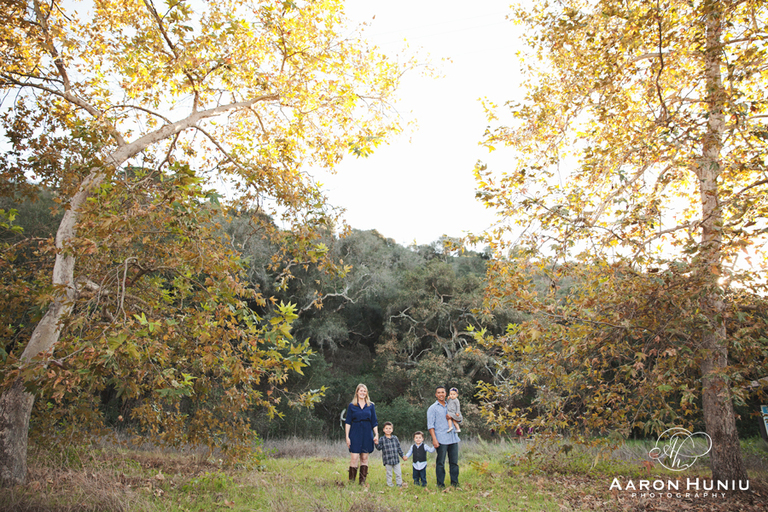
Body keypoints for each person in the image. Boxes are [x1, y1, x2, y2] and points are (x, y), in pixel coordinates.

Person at [345, 383, 379, 485]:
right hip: (355, 433)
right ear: (357, 392)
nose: (363, 393)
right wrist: (347, 437)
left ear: (367, 393)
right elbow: (348, 422)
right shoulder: (352, 406)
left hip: (367, 433)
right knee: (354, 457)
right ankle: (351, 482)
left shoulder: (371, 406)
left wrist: (376, 434)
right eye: (361, 391)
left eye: (364, 391)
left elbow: (374, 422)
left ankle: (362, 482)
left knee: (364, 457)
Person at [427, 385, 460, 488]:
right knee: (440, 462)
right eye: (439, 392)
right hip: (441, 439)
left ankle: (455, 483)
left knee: (454, 462)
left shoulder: (452, 404)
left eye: (443, 392)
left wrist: (453, 416)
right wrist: (434, 439)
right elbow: (430, 425)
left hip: (453, 438)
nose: (441, 394)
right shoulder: (432, 408)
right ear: (436, 395)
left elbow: (460, 419)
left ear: (446, 394)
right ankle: (440, 484)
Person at [375, 421, 405, 488]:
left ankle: (399, 484)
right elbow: (379, 448)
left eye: (390, 428)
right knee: (389, 473)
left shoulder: (395, 438)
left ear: (392, 429)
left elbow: (399, 448)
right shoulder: (382, 439)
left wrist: (402, 456)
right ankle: (390, 484)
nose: (388, 430)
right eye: (386, 428)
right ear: (383, 429)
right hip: (387, 460)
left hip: (396, 459)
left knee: (398, 473)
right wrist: (376, 443)